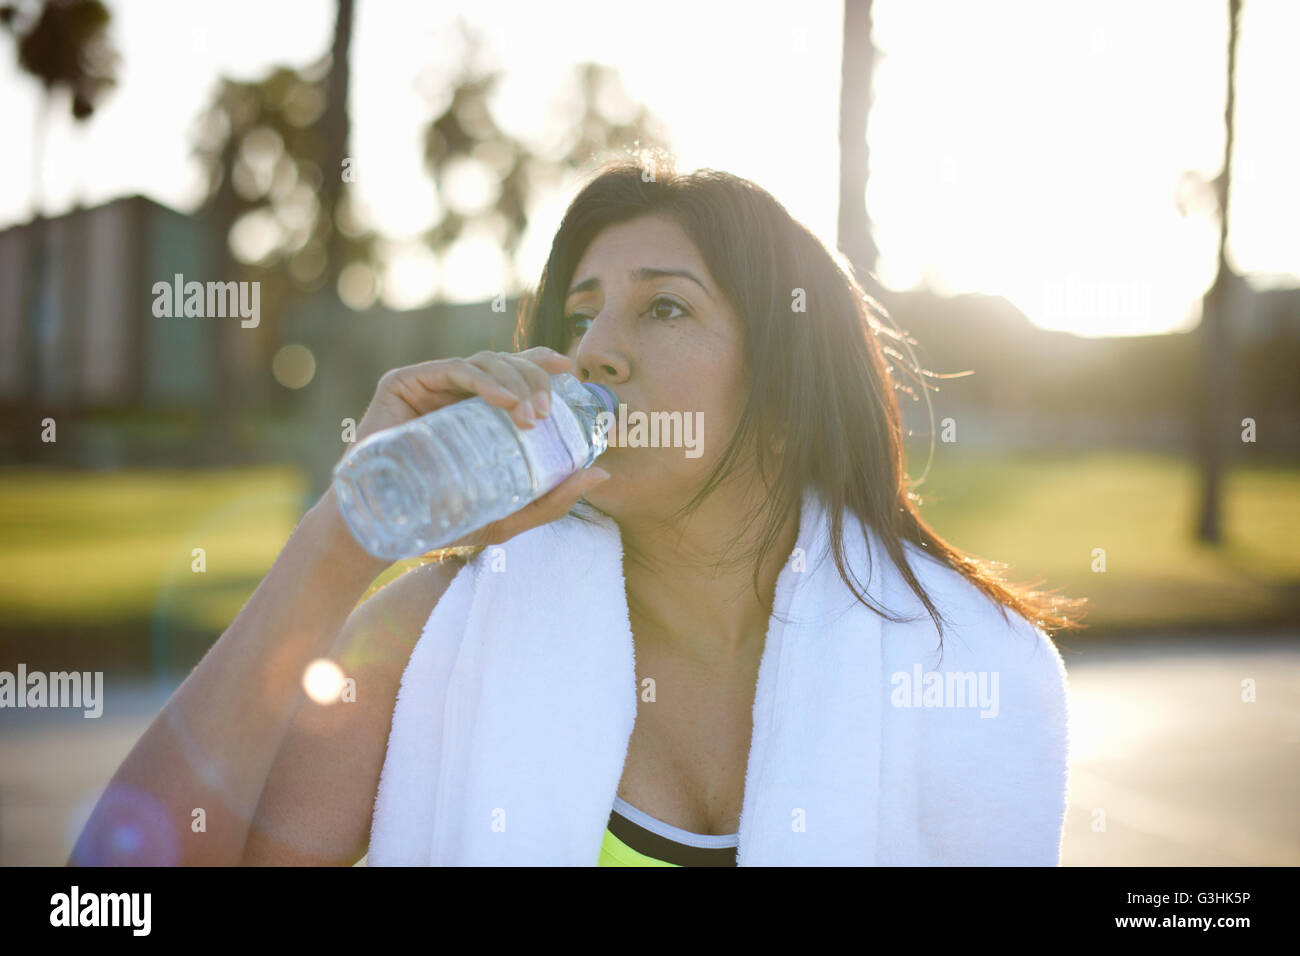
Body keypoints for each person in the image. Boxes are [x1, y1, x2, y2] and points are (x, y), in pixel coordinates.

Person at [70, 156, 1083, 866]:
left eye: (664, 305)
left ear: (784, 391)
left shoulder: (976, 668)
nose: (594, 348)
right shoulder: (437, 632)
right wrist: (347, 531)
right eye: (579, 312)